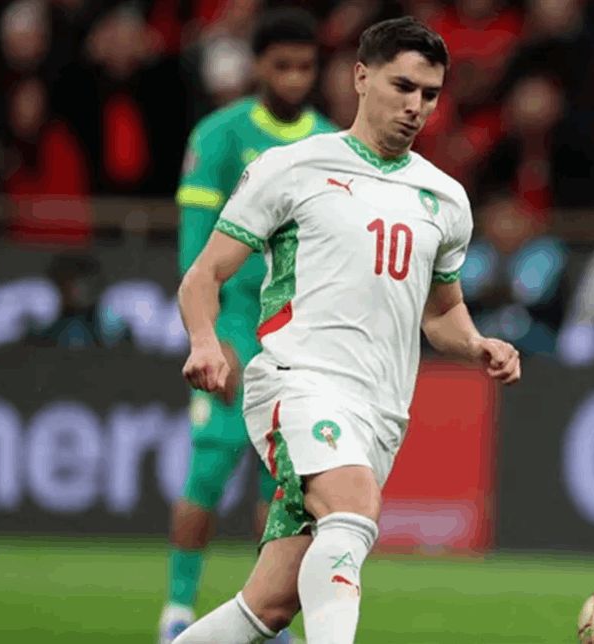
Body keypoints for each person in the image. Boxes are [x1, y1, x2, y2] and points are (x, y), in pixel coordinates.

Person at [172, 17, 521, 644]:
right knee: (355, 506)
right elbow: (203, 275)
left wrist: (476, 343)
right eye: (403, 86)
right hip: (297, 383)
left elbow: (441, 311)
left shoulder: (445, 199)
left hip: (381, 410)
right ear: (361, 77)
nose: (416, 107)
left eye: (430, 94)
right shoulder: (293, 167)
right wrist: (204, 340)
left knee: (269, 606)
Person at [160, 8, 340, 644]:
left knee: (285, 487)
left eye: (305, 67)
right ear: (258, 66)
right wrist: (208, 336)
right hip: (234, 321)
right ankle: (177, 609)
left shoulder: (330, 144)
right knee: (208, 473)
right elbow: (195, 251)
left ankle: (268, 615)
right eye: (281, 66)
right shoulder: (219, 135)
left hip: (297, 331)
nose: (294, 79)